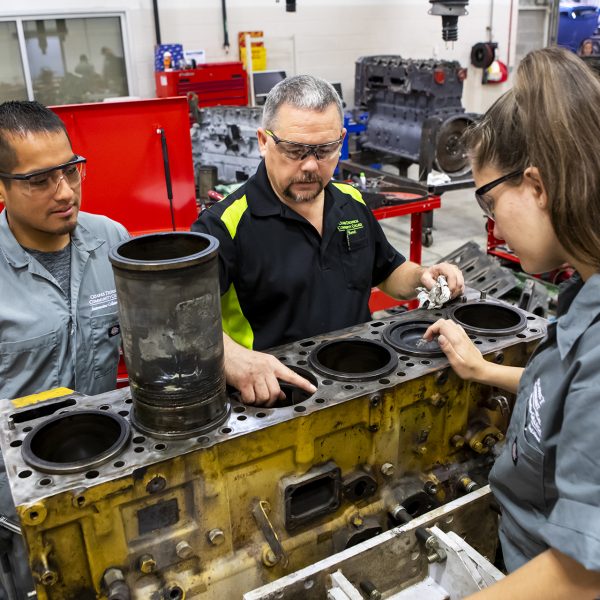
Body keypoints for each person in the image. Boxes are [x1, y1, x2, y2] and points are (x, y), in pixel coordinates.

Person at [423, 47, 600, 598]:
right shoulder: (585, 296)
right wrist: (484, 371)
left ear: (539, 186)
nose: (490, 219)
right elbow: (571, 404)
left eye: (490, 199)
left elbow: (582, 576)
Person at [192, 75, 464, 407]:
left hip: (362, 383)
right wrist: (230, 358)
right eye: (294, 150)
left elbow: (389, 272)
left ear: (341, 141)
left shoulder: (351, 203)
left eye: (324, 151)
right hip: (279, 399)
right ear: (263, 141)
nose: (309, 165)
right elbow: (180, 318)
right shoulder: (224, 225)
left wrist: (423, 275)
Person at [0, 100, 129, 598]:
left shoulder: (111, 238)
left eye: (71, 170)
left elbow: (146, 343)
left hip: (106, 466)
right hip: (17, 499)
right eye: (40, 180)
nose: (65, 192)